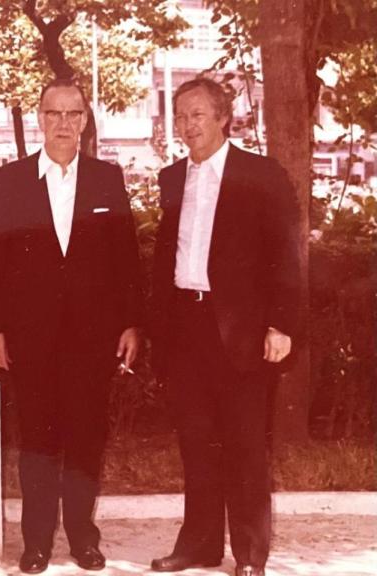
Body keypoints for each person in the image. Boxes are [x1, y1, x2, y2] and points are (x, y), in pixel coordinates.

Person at [0, 78, 143, 574]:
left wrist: (133, 324)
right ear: (39, 118)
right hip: (31, 339)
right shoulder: (11, 181)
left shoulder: (107, 179)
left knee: (86, 439)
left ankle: (82, 537)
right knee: (39, 442)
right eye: (54, 114)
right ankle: (36, 544)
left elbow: (126, 261)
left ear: (86, 121)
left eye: (74, 114)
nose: (64, 124)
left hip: (93, 340)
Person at [148, 77, 300, 576]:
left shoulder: (260, 174)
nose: (187, 126)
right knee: (196, 443)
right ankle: (199, 545)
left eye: (197, 115)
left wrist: (280, 324)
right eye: (181, 116)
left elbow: (285, 256)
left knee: (245, 446)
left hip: (241, 331)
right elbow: (163, 257)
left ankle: (251, 555)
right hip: (184, 328)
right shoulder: (172, 178)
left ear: (221, 118)